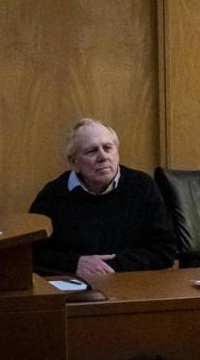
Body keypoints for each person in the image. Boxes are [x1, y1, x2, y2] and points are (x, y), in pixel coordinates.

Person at [30, 118, 176, 278]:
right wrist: (75, 264)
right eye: (91, 151)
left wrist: (111, 266)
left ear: (117, 153)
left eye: (108, 148)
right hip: (73, 288)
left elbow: (165, 250)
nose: (103, 156)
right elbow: (31, 254)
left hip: (131, 283)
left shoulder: (142, 186)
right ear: (74, 162)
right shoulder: (52, 195)